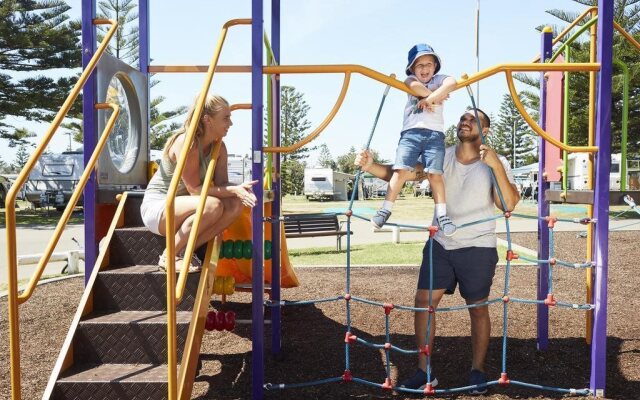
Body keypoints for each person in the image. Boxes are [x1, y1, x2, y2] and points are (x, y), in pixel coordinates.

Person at [356, 108, 520, 394]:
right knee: (423, 302)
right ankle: (424, 371)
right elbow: (405, 173)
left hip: (478, 246)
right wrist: (371, 167)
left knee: (478, 308)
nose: (465, 122)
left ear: (486, 130)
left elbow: (508, 204)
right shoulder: (441, 155)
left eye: (473, 120)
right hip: (441, 242)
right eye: (463, 119)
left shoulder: (496, 161)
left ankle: (478, 370)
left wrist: (495, 165)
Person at [141, 94, 257, 272]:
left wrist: (239, 190)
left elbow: (222, 184)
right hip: (159, 208)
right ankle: (169, 256)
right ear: (207, 120)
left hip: (188, 205)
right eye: (226, 118)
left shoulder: (219, 147)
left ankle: (187, 250)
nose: (230, 123)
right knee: (212, 205)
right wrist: (234, 189)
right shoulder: (187, 143)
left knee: (234, 204)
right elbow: (195, 190)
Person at [370, 43, 457, 236]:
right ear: (412, 68)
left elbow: (453, 83)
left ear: (435, 67)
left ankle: (442, 214)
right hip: (411, 133)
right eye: (419, 65)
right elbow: (415, 87)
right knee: (400, 171)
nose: (424, 69)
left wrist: (431, 98)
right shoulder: (409, 79)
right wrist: (435, 97)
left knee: (435, 174)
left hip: (435, 134)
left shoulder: (439, 79)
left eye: (428, 64)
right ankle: (386, 209)